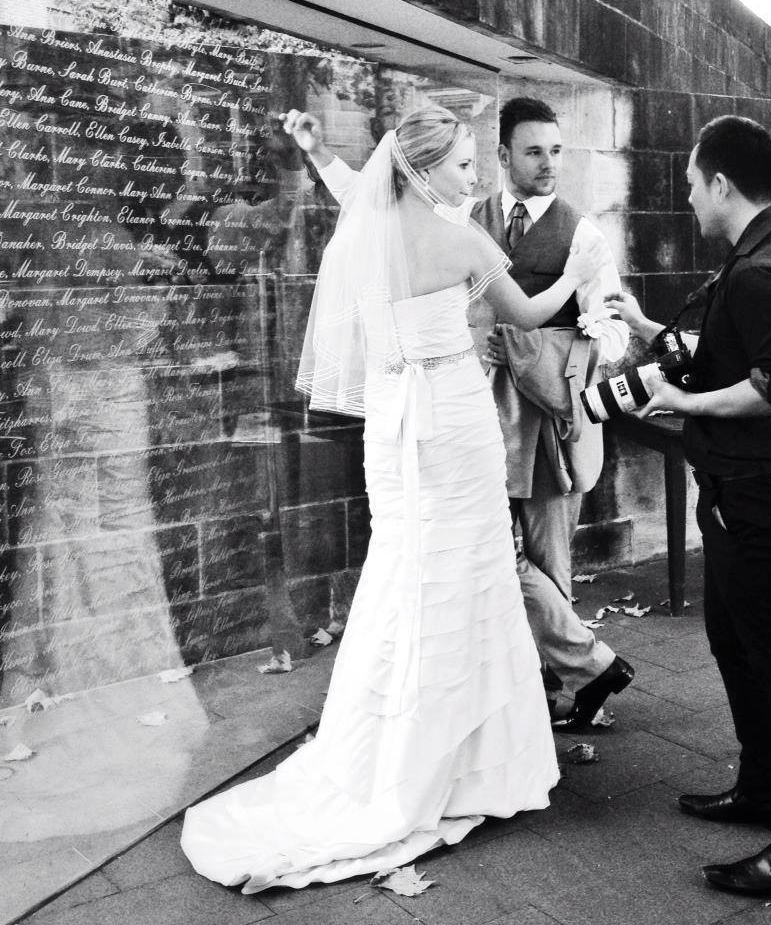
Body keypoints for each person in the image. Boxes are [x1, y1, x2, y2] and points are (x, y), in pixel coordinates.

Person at [180, 105, 609, 892]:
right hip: (450, 422)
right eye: (460, 164)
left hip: (393, 433)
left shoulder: (370, 229)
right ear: (419, 170)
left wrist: (317, 154)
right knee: (468, 573)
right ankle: (465, 764)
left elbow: (354, 191)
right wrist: (579, 278)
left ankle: (391, 746)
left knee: (407, 570)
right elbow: (528, 312)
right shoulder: (462, 238)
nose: (473, 175)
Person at [608, 115, 771, 895]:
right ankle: (764, 785)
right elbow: (737, 351)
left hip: (758, 493)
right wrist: (648, 329)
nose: (686, 202)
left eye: (690, 187)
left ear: (721, 184)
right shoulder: (758, 254)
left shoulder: (759, 271)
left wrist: (680, 399)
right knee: (735, 643)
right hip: (738, 490)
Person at [478, 97, 634, 731]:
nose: (549, 165)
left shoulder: (584, 234)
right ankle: (554, 677)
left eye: (557, 150)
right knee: (490, 557)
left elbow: (617, 333)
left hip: (552, 425)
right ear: (504, 156)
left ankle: (562, 695)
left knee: (547, 561)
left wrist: (536, 347)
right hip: (479, 420)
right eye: (535, 151)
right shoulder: (469, 218)